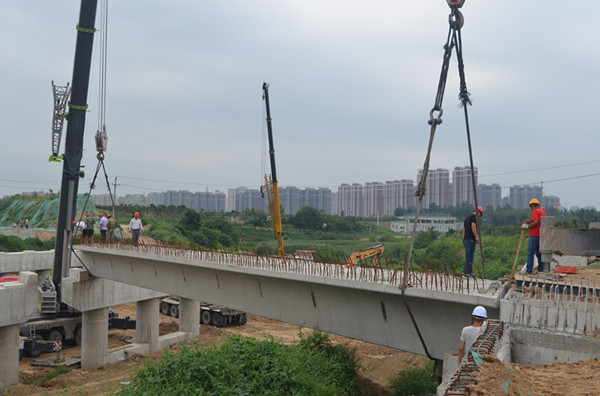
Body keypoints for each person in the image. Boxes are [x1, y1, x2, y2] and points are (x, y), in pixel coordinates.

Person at [523, 198, 547, 274]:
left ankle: (529, 270)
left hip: (534, 235)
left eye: (531, 207)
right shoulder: (542, 212)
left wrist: (528, 226)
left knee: (530, 253)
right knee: (539, 253)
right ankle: (540, 270)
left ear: (533, 206)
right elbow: (538, 222)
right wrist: (530, 222)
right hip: (541, 235)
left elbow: (536, 222)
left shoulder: (535, 211)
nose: (531, 209)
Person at [462, 207, 483, 276]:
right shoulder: (474, 217)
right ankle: (468, 273)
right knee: (470, 257)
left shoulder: (467, 218)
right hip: (470, 239)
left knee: (468, 257)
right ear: (479, 213)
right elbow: (473, 226)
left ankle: (464, 271)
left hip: (466, 239)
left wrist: (464, 238)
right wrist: (476, 236)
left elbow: (464, 229)